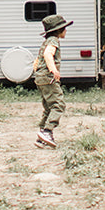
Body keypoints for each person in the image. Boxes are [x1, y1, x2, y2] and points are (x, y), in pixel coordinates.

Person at [32, 13, 71, 148]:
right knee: (59, 104)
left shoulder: (46, 41)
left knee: (49, 107)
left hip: (40, 78)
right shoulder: (53, 41)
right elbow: (48, 54)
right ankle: (47, 131)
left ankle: (42, 136)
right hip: (48, 78)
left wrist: (38, 73)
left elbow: (36, 62)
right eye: (64, 28)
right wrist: (54, 70)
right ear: (58, 30)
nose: (66, 30)